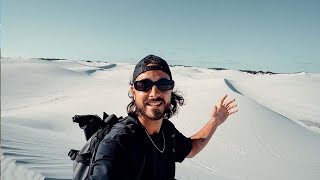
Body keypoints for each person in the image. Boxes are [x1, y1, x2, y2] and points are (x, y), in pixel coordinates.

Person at [90, 54, 238, 180]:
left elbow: (192, 148)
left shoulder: (167, 131)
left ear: (171, 90)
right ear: (133, 91)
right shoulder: (117, 143)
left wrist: (214, 122)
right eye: (144, 85)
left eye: (163, 84)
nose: (154, 93)